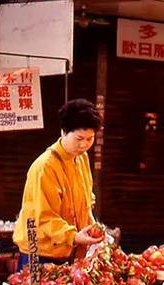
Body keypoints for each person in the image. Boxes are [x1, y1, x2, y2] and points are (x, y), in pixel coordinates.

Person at [13, 99, 105, 266]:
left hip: (68, 250)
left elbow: (86, 203)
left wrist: (93, 229)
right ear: (64, 132)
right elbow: (45, 218)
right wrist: (75, 236)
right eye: (79, 138)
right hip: (37, 252)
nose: (84, 144)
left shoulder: (81, 158)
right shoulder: (45, 166)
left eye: (90, 139)